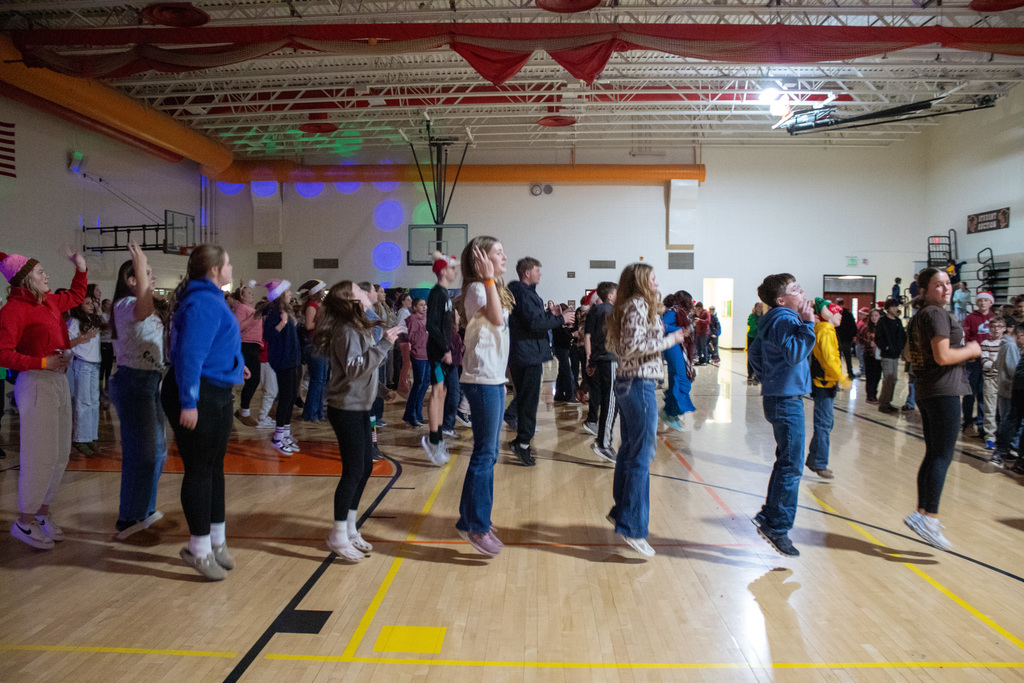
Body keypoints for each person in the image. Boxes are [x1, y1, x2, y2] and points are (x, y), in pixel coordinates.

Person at [162, 245, 246, 580]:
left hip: (216, 389)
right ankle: (198, 548)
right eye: (228, 263)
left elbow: (214, 348)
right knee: (199, 469)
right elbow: (189, 356)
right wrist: (189, 401)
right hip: (199, 393)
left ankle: (216, 541)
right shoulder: (203, 302)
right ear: (214, 269)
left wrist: (236, 367)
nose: (230, 268)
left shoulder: (210, 299)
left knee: (214, 468)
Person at [0, 249, 87, 549]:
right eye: (40, 273)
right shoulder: (14, 310)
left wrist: (81, 267)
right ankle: (23, 523)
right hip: (36, 383)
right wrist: (42, 363)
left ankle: (41, 514)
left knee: (59, 454)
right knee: (39, 457)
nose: (46, 275)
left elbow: (76, 295)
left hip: (58, 381)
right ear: (24, 279)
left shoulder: (48, 300)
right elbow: (2, 352)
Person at [313, 281, 401, 561]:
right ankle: (338, 534)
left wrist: (382, 390)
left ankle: (350, 527)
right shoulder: (347, 330)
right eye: (359, 291)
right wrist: (386, 343)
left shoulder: (359, 327)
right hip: (346, 408)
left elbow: (365, 367)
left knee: (363, 468)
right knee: (352, 470)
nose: (367, 293)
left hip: (361, 406)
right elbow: (353, 369)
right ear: (351, 301)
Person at [604, 263, 686, 558]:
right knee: (641, 455)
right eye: (652, 278)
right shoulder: (637, 305)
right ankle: (633, 527)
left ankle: (622, 511)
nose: (656, 282)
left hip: (630, 382)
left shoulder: (633, 305)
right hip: (639, 384)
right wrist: (671, 340)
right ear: (641, 281)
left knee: (630, 451)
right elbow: (636, 346)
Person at [904, 267, 980, 550]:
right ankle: (930, 518)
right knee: (942, 456)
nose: (946, 288)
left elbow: (909, 354)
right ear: (924, 290)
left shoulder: (919, 316)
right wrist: (972, 350)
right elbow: (943, 355)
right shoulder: (936, 314)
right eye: (938, 285)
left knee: (934, 454)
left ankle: (923, 513)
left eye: (948, 283)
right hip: (943, 391)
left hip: (928, 390)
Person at [749, 273, 816, 557]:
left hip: (777, 397)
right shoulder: (786, 318)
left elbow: (753, 353)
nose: (801, 291)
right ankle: (778, 527)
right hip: (787, 401)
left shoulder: (770, 319)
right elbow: (794, 352)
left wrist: (769, 377)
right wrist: (810, 323)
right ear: (781, 299)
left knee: (785, 461)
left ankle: (768, 515)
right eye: (794, 289)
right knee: (791, 466)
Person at [455, 236, 514, 557]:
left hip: (490, 379)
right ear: (481, 260)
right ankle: (476, 526)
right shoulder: (479, 288)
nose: (504, 256)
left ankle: (471, 519)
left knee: (486, 453)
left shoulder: (488, 288)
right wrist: (489, 277)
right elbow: (497, 319)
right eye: (498, 253)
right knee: (485, 455)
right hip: (481, 380)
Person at [110, 243, 168, 540]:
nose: (152, 276)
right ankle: (127, 520)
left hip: (148, 381)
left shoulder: (141, 306)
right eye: (146, 273)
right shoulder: (123, 305)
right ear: (131, 280)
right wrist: (140, 261)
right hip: (133, 383)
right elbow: (143, 309)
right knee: (142, 454)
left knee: (158, 451)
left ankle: (144, 511)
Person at [505, 257, 574, 466]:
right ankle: (523, 444)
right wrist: (561, 319)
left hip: (525, 353)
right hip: (527, 355)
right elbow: (534, 323)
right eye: (537, 270)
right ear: (527, 273)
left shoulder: (522, 294)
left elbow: (532, 319)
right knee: (529, 401)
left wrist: (547, 315)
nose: (540, 274)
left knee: (526, 398)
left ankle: (520, 437)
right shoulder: (523, 294)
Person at [806, 299, 849, 480]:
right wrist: (842, 378)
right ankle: (819, 462)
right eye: (837, 312)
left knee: (826, 422)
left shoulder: (827, 330)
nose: (840, 316)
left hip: (826, 382)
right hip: (823, 382)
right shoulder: (825, 331)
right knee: (824, 423)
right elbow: (829, 359)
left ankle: (815, 459)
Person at [422, 252, 458, 465]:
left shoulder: (445, 295)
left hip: (445, 351)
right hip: (437, 352)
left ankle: (439, 437)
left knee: (443, 391)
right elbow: (431, 325)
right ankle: (434, 440)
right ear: (444, 271)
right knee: (437, 392)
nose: (455, 272)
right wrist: (445, 349)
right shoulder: (437, 294)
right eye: (452, 268)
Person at [262, 279, 302, 455]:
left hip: (292, 359)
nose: (291, 294)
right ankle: (278, 437)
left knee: (291, 396)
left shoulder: (284, 311)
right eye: (288, 292)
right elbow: (269, 335)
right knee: (285, 398)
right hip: (283, 360)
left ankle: (285, 433)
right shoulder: (273, 313)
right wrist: (283, 323)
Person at [584, 281, 618, 462]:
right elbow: (609, 339)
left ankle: (602, 439)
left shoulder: (594, 311)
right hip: (610, 360)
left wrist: (591, 361)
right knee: (611, 402)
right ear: (610, 295)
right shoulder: (610, 312)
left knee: (608, 400)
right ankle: (603, 444)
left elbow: (590, 337)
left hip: (600, 360)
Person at [66, 294, 105, 454]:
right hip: (82, 364)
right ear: (79, 306)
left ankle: (91, 436)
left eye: (92, 303)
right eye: (87, 303)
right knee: (83, 402)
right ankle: (80, 438)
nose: (91, 305)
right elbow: (67, 342)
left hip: (94, 365)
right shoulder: (74, 322)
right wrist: (84, 337)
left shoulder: (93, 321)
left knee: (94, 402)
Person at [660, 290, 696, 432]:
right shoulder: (673, 311)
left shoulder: (680, 312)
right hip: (673, 347)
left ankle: (670, 411)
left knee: (680, 379)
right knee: (680, 379)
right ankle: (670, 413)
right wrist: (680, 329)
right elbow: (662, 326)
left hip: (678, 347)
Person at [962, 291, 994, 438]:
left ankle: (982, 424)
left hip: (989, 363)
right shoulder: (970, 318)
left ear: (990, 303)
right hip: (973, 362)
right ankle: (967, 422)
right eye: (980, 300)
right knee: (970, 393)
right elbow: (966, 338)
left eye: (986, 300)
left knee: (984, 394)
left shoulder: (994, 319)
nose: (982, 303)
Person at [991, 322, 1023, 469]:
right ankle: (1004, 452)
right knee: (1010, 420)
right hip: (1014, 388)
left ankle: (1007, 452)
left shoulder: (1012, 346)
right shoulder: (1011, 346)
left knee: (1009, 420)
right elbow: (1014, 370)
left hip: (1013, 388)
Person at [231, 282, 262, 427]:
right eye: (249, 293)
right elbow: (237, 327)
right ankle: (244, 411)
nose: (252, 295)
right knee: (253, 379)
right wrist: (254, 317)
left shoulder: (250, 309)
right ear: (242, 296)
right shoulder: (242, 308)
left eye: (252, 293)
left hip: (253, 346)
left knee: (254, 379)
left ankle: (243, 410)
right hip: (245, 345)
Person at [299, 279, 328, 423]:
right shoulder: (312, 305)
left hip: (321, 344)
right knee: (317, 380)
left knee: (321, 380)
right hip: (314, 344)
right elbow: (309, 325)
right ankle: (311, 413)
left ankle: (318, 411)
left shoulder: (318, 305)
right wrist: (324, 322)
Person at [980, 316, 1010, 449]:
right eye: (993, 327)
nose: (996, 329)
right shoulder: (985, 343)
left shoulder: (1008, 343)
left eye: (999, 326)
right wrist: (998, 362)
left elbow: (1009, 362)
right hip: (990, 379)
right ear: (989, 328)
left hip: (1005, 380)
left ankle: (1004, 438)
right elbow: (985, 362)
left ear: (1004, 328)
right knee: (990, 409)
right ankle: (990, 437)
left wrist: (994, 361)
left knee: (1005, 411)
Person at [875, 298, 907, 414]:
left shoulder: (898, 321)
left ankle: (888, 401)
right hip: (887, 354)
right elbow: (878, 337)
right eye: (893, 307)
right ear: (888, 309)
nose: (895, 309)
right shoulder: (883, 321)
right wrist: (885, 347)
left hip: (895, 354)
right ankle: (883, 403)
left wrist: (901, 348)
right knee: (888, 378)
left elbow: (903, 336)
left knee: (893, 379)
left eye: (896, 307)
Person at [402, 298, 429, 428]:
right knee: (418, 384)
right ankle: (411, 414)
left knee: (424, 384)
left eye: (425, 305)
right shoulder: (413, 320)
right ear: (414, 307)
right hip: (419, 355)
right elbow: (411, 338)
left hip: (427, 355)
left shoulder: (425, 319)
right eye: (421, 305)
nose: (424, 307)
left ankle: (418, 414)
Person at [551, 303, 577, 403]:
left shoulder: (563, 323)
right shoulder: (557, 322)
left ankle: (559, 394)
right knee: (567, 371)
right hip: (560, 347)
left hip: (564, 347)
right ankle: (570, 396)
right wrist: (572, 335)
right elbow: (561, 336)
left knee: (562, 371)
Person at [857, 309, 882, 403]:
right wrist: (869, 342)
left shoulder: (881, 328)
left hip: (879, 355)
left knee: (877, 376)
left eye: (876, 315)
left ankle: (875, 394)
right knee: (870, 375)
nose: (874, 318)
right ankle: (870, 395)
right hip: (869, 355)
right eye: (872, 316)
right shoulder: (866, 328)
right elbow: (859, 339)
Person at [835, 297, 857, 379]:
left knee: (839, 358)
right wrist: (853, 336)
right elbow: (853, 326)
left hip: (840, 339)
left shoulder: (836, 314)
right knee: (847, 357)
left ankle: (839, 374)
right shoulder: (848, 314)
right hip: (845, 339)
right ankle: (850, 373)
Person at [98, 298, 114, 406]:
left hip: (110, 344)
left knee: (109, 367)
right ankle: (100, 389)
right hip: (103, 343)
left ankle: (107, 388)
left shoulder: (112, 317)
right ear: (103, 306)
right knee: (102, 368)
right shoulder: (101, 317)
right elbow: (102, 329)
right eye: (107, 304)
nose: (109, 306)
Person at [747, 302, 764, 384]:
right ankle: (750, 374)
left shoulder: (763, 316)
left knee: (760, 357)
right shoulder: (752, 316)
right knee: (751, 356)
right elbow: (752, 325)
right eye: (759, 306)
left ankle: (757, 375)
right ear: (756, 308)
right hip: (752, 337)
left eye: (762, 306)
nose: (760, 308)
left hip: (760, 338)